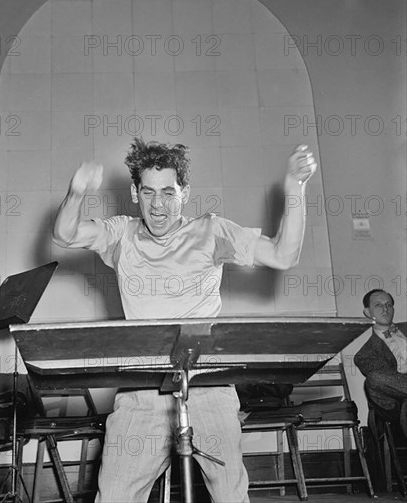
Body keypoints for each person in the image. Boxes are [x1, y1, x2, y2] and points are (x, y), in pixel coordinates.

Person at [52, 138, 317, 503]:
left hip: (208, 385)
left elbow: (283, 255)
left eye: (168, 192)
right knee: (114, 495)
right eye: (148, 193)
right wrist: (77, 191)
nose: (158, 205)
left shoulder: (212, 231)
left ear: (185, 192)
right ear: (134, 193)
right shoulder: (120, 234)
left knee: (229, 495)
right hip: (142, 387)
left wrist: (294, 188)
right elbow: (64, 234)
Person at [354, 289, 407, 435]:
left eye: (389, 304)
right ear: (367, 312)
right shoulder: (364, 355)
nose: (385, 309)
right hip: (393, 403)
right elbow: (390, 379)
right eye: (378, 305)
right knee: (374, 379)